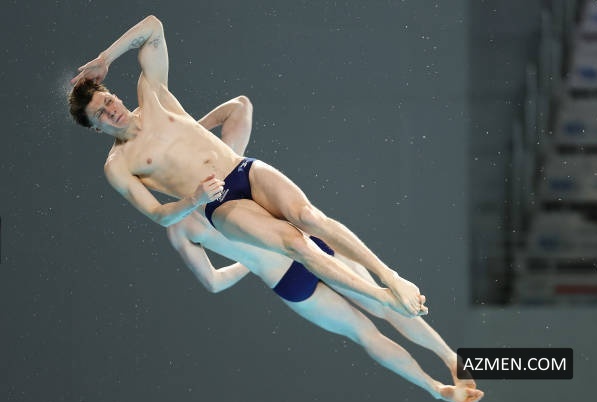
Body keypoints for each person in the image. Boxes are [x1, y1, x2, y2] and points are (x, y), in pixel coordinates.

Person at [68, 15, 424, 319]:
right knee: (296, 245)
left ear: (114, 95)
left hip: (242, 169)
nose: (111, 110)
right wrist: (194, 199)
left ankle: (391, 278)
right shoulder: (118, 165)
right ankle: (383, 298)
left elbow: (153, 26)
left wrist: (105, 57)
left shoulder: (152, 93)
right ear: (96, 128)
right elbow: (159, 215)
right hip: (220, 205)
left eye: (108, 100)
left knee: (309, 217)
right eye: (101, 114)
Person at [163, 98, 483, 402]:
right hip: (306, 250)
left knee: (366, 332)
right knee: (383, 308)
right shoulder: (215, 172)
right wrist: (194, 128)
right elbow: (240, 106)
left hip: (286, 278)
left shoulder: (180, 223)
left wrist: (249, 261)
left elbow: (213, 282)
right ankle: (448, 363)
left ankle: (437, 388)